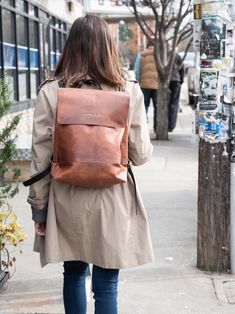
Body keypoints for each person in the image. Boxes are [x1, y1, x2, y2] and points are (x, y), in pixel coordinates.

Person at [27, 15, 154, 314]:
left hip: (67, 196)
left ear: (71, 47)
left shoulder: (52, 91)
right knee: (107, 283)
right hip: (113, 198)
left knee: (73, 274)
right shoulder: (129, 89)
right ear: (109, 48)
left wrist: (39, 209)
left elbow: (39, 157)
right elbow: (141, 155)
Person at [134, 40, 158, 133]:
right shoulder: (159, 56)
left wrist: (139, 82)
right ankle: (157, 128)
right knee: (157, 107)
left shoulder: (141, 55)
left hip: (144, 85)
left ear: (147, 46)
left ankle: (143, 128)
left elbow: (137, 70)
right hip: (157, 86)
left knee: (144, 107)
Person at [168, 53, 185, 132]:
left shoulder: (165, 55)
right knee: (174, 104)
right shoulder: (177, 56)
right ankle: (171, 125)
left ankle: (168, 124)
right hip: (176, 81)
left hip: (167, 81)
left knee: (168, 104)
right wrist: (181, 80)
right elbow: (182, 69)